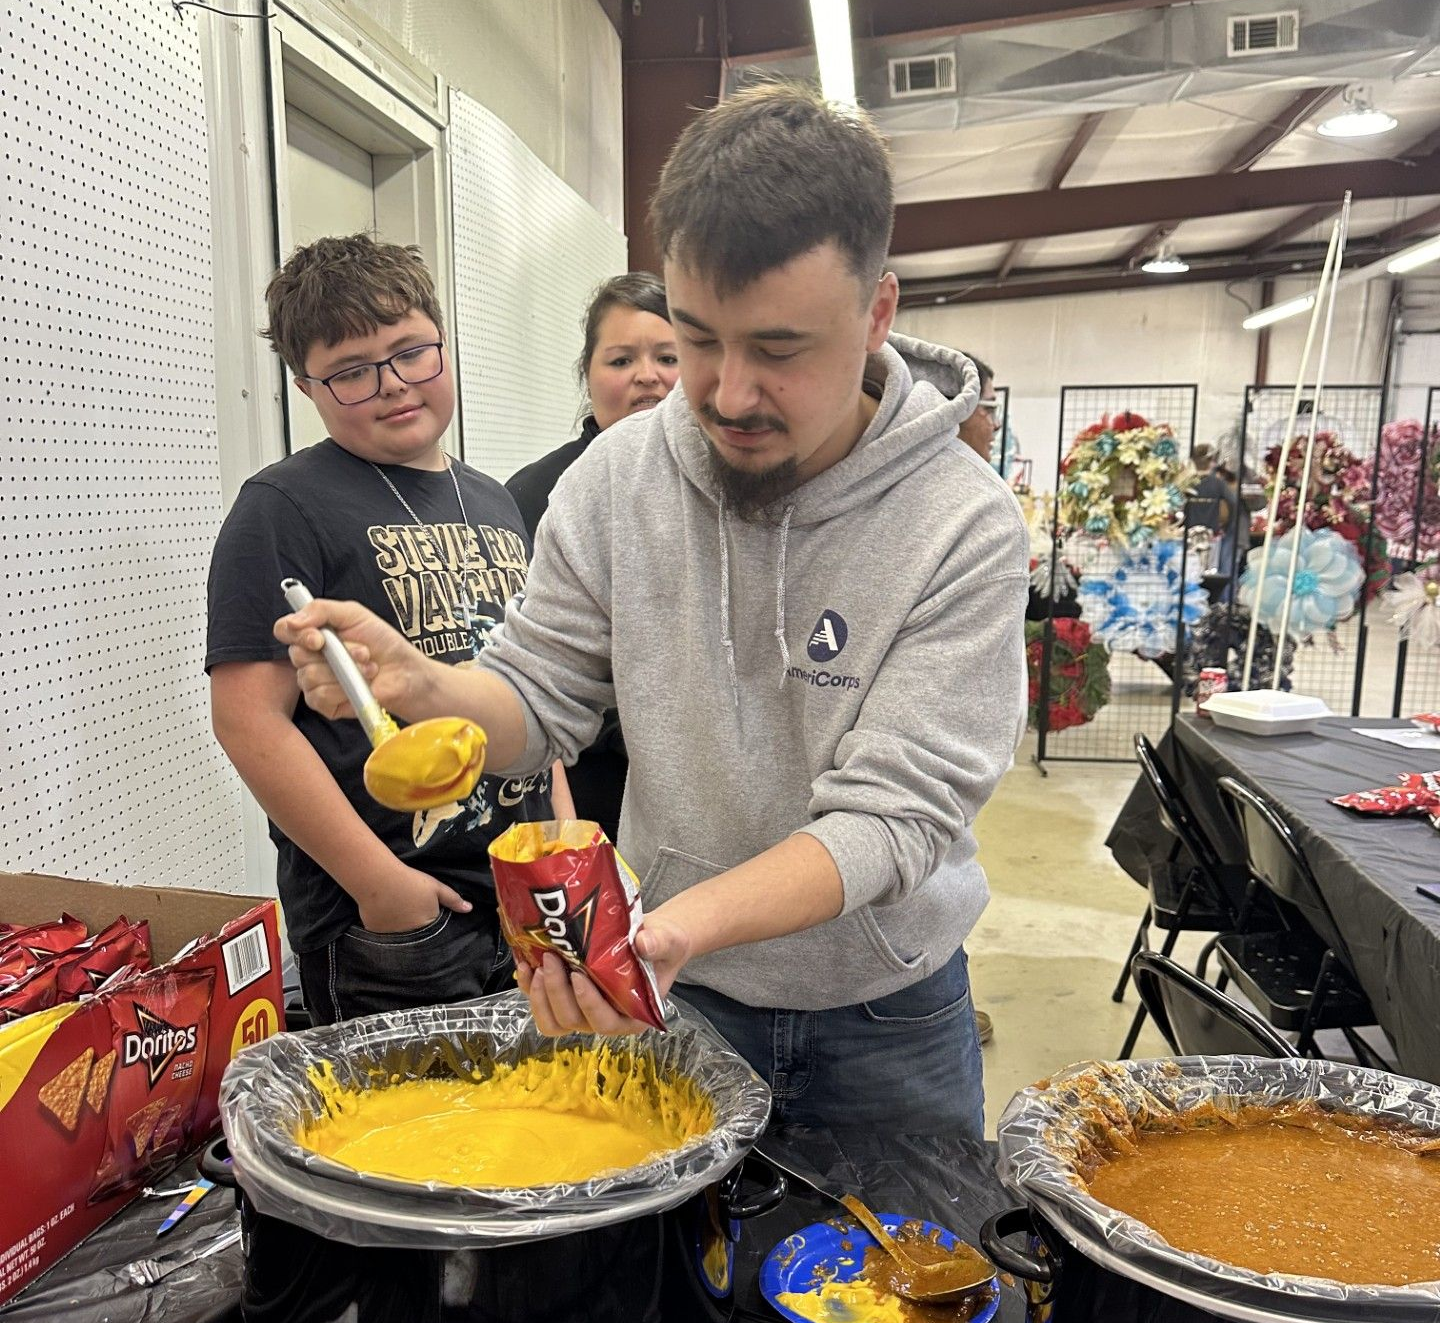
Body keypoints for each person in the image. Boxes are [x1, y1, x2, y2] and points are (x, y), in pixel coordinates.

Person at [277, 86, 1028, 1138]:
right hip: (680, 995)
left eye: (779, 349)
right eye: (698, 339)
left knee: (911, 1247)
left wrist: (674, 928)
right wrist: (425, 684)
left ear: (876, 314)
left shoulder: (963, 522)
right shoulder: (617, 477)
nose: (728, 393)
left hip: (884, 1013)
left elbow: (895, 818)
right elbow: (539, 700)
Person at [206, 234, 567, 1026]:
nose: (393, 384)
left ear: (442, 341)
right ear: (306, 385)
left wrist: (565, 838)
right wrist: (382, 886)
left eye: (411, 352)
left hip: (528, 897)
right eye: (351, 370)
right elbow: (248, 720)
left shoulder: (496, 501)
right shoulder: (282, 507)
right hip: (398, 923)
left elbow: (533, 691)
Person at [504, 274, 680, 840]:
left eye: (668, 357)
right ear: (587, 373)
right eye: (621, 360)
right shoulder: (537, 495)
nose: (646, 375)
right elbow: (535, 667)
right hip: (584, 787)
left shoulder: (732, 488)